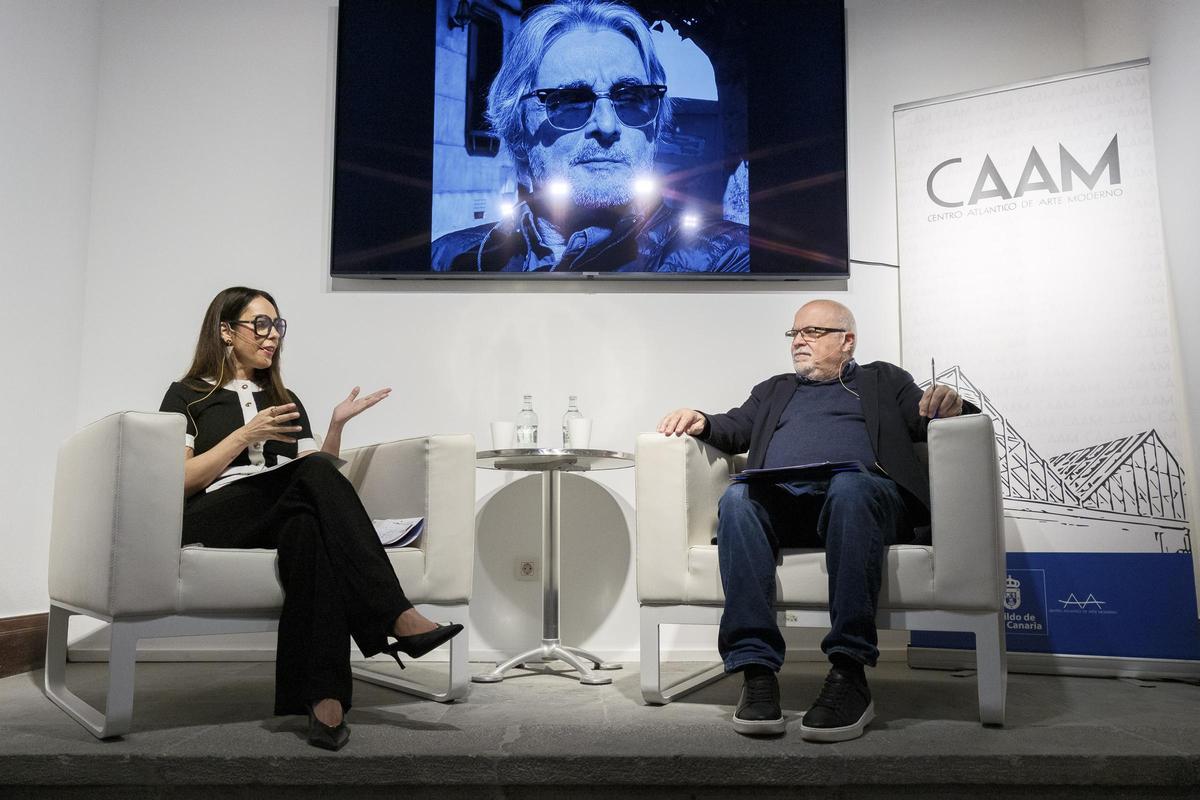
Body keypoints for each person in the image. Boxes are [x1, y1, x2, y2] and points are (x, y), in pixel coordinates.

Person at [159, 287, 463, 751]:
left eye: (277, 326)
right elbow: (181, 481)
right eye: (260, 324)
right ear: (226, 331)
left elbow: (315, 472)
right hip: (214, 513)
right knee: (310, 485)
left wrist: (335, 426)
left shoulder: (284, 398)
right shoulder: (187, 395)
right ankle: (394, 615)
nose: (272, 336)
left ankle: (324, 700)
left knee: (308, 529)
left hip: (280, 511)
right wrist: (244, 436)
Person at [657, 299, 974, 741]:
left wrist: (953, 405)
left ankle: (849, 673)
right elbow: (734, 426)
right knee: (739, 498)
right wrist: (702, 420)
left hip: (864, 499)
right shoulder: (774, 389)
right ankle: (756, 671)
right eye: (795, 333)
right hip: (789, 503)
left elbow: (928, 418)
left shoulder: (884, 380)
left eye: (813, 332)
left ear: (847, 341)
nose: (799, 341)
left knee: (849, 486)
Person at [431, 0, 749, 273]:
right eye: (569, 101)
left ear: (654, 129)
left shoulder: (732, 258)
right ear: (519, 128)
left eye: (631, 98)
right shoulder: (448, 259)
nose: (607, 125)